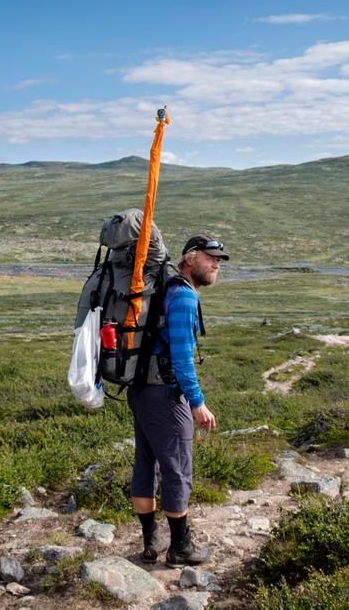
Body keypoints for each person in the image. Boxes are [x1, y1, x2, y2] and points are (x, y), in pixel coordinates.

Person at [129, 234, 228, 567]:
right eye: (210, 257)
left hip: (142, 391)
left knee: (146, 463)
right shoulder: (183, 297)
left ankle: (150, 541)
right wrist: (197, 402)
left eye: (219, 260)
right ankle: (180, 548)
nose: (216, 264)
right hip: (165, 395)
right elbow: (183, 356)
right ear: (190, 258)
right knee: (177, 469)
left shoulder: (167, 288)